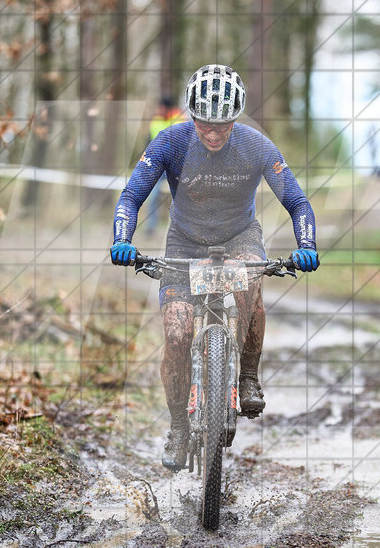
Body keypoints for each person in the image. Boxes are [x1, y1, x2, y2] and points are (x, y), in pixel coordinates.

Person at [109, 64, 320, 472]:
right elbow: (131, 196)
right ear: (191, 115)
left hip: (240, 236)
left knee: (250, 285)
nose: (212, 134)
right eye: (204, 124)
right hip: (184, 243)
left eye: (222, 126)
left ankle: (248, 376)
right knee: (176, 333)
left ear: (235, 119)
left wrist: (306, 245)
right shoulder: (169, 141)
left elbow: (297, 201)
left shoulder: (256, 146)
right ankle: (177, 426)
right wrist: (122, 240)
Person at [143, 96, 184, 235]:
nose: (158, 110)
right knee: (152, 195)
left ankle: (181, 228)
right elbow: (149, 143)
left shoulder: (179, 119)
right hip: (159, 164)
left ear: (167, 108)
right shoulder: (156, 121)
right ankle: (151, 226)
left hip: (177, 165)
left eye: (160, 107)